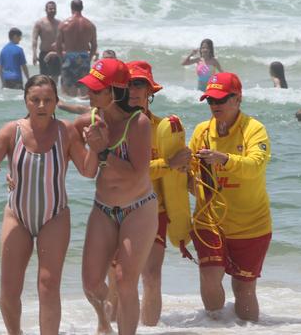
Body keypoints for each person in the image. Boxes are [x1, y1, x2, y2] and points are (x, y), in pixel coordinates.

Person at [0, 74, 93, 335]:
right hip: (17, 216)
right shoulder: (11, 131)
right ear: (25, 101)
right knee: (9, 290)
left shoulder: (66, 132)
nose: (41, 105)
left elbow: (87, 170)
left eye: (47, 100)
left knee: (48, 285)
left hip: (55, 216)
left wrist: (95, 146)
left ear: (56, 102)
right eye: (35, 99)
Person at [103, 61, 192, 326]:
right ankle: (107, 330)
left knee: (152, 277)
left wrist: (189, 173)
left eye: (139, 83)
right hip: (118, 210)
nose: (133, 89)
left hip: (155, 210)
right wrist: (169, 164)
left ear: (150, 90)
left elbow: (178, 175)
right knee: (117, 279)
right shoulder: (112, 127)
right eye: (129, 83)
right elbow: (126, 171)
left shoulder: (165, 128)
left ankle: (150, 330)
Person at [75, 58, 157, 335]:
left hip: (139, 207)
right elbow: (87, 171)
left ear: (115, 92)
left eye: (97, 90)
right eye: (90, 89)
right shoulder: (94, 118)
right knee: (90, 283)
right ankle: (104, 318)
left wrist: (104, 151)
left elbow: (137, 174)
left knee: (124, 281)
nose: (90, 94)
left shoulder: (139, 123)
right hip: (104, 207)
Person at [188, 72, 272, 322]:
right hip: (208, 220)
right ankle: (214, 325)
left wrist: (223, 159)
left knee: (244, 288)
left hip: (251, 223)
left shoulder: (254, 129)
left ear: (237, 99)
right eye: (210, 101)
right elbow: (190, 181)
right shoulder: (201, 131)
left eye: (221, 100)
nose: (214, 106)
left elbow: (256, 165)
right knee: (210, 275)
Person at [56, 0, 97, 97]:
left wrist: (62, 58)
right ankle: (83, 109)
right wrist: (89, 58)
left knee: (68, 89)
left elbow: (58, 45)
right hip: (84, 56)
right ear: (82, 8)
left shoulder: (64, 24)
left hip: (69, 56)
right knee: (84, 88)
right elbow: (94, 45)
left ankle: (71, 108)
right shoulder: (90, 25)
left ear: (71, 8)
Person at [57, 49, 117, 115]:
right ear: (101, 59)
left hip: (108, 108)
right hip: (103, 106)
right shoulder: (98, 72)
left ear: (116, 60)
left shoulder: (118, 76)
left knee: (66, 106)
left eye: (110, 58)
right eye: (105, 58)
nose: (107, 61)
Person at [32, 1, 61, 82]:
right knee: (44, 78)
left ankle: (54, 93)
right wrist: (34, 54)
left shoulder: (59, 23)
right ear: (46, 10)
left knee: (55, 77)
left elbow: (64, 40)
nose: (52, 10)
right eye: (50, 9)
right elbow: (34, 39)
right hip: (44, 53)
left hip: (56, 54)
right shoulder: (40, 23)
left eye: (54, 9)